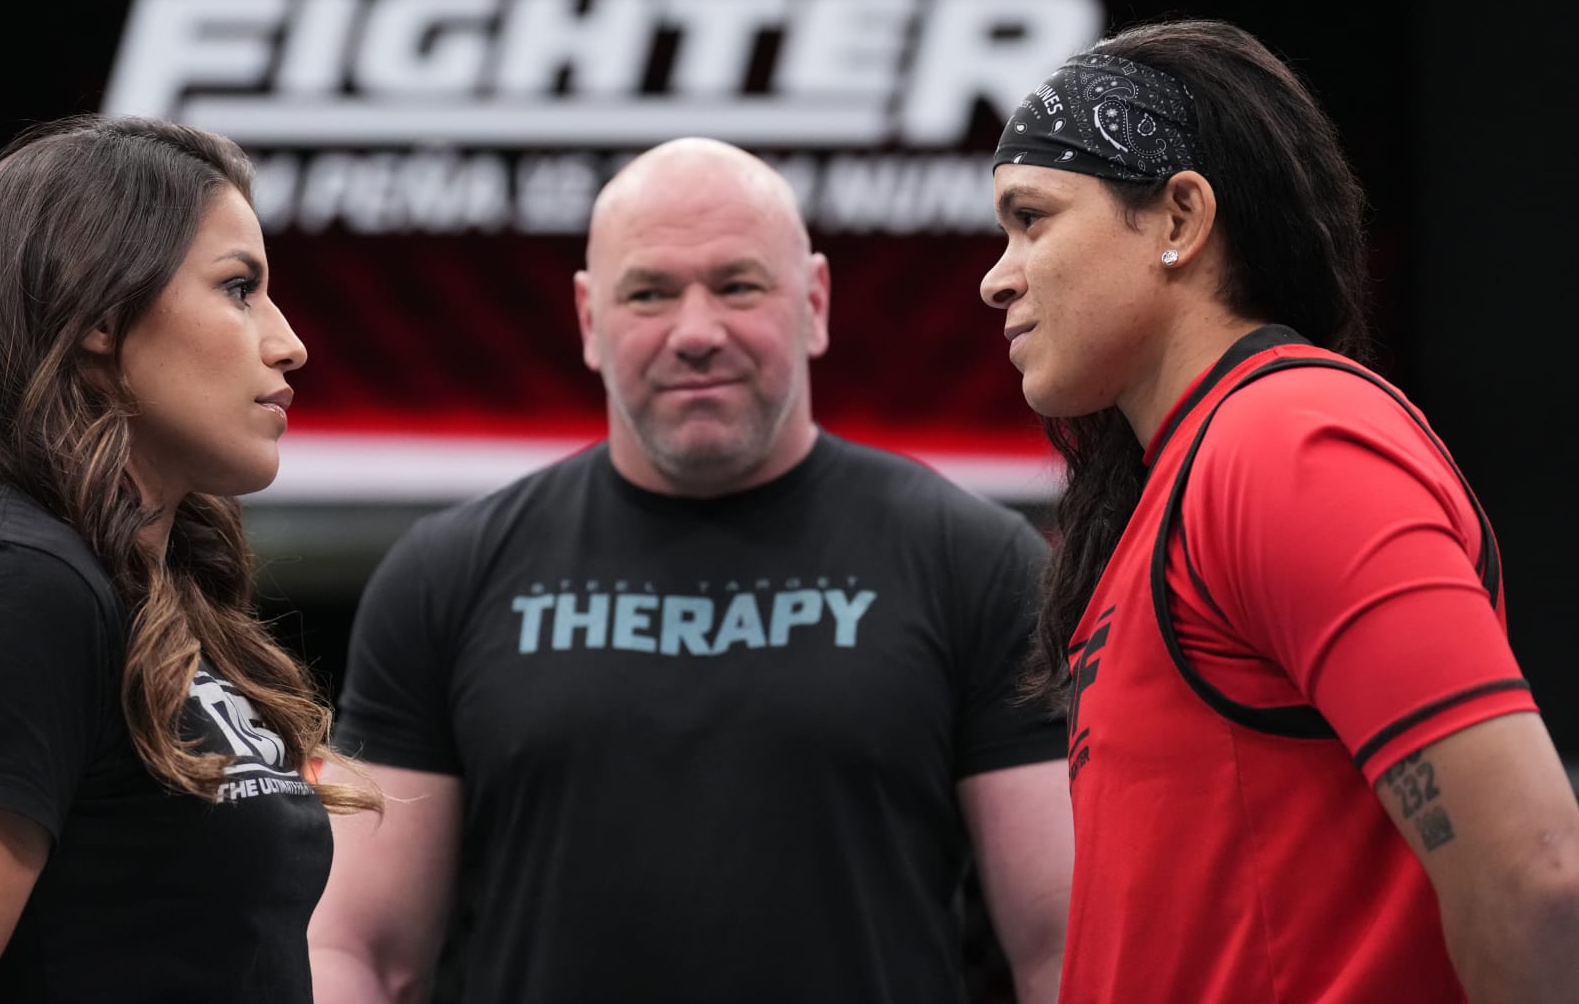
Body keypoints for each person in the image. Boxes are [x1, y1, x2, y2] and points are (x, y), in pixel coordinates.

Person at [308, 137, 1074, 1004]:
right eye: (651, 293)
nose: (697, 332)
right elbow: (357, 950)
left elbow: (1066, 952)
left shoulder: (974, 564)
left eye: (739, 286)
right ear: (590, 320)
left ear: (815, 302)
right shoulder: (442, 579)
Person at [980, 18, 1579, 1002]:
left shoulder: (1289, 442)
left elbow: (1535, 872)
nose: (997, 275)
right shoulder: (1201, 468)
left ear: (1179, 219)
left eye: (1031, 219)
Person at [0, 115, 380, 1002]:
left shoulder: (133, 589)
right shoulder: (5, 586)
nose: (288, 342)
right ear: (96, 312)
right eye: (239, 288)